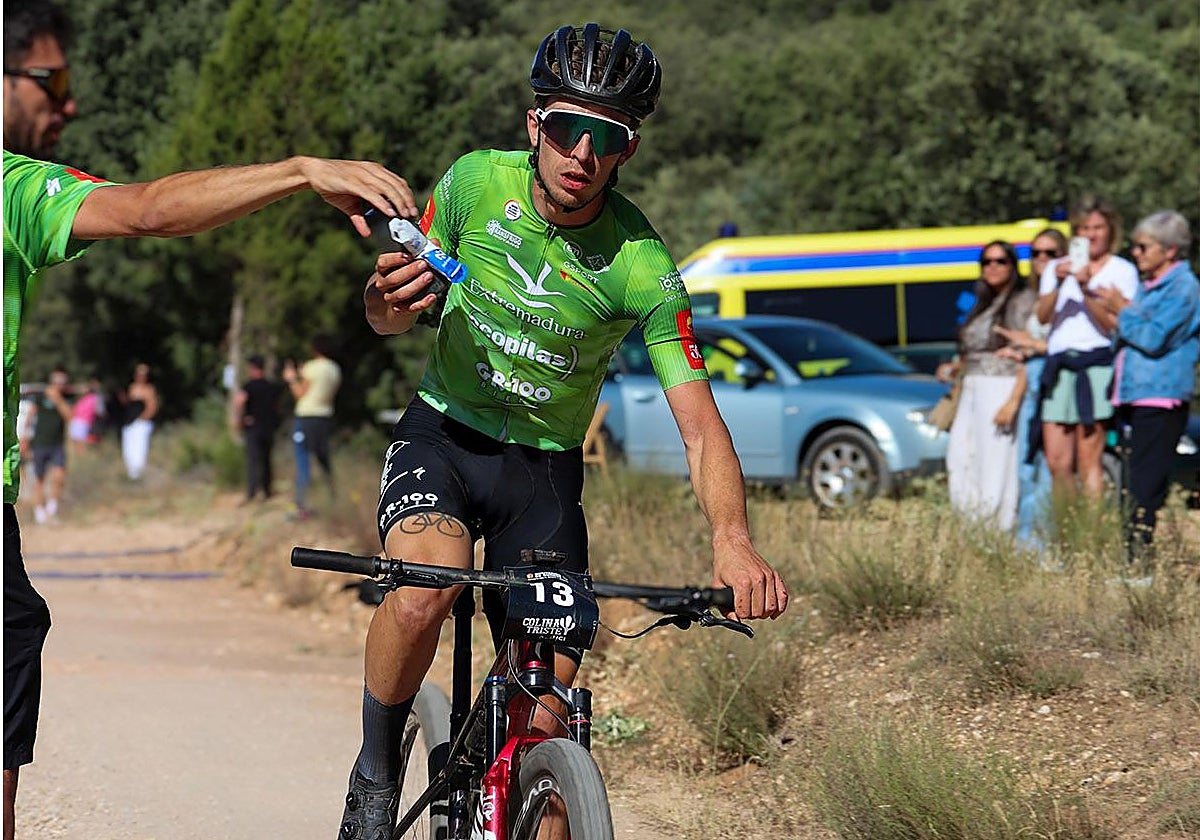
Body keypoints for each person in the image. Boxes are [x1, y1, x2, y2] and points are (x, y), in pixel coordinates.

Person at [342, 23, 788, 839]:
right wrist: (383, 301)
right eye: (564, 126)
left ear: (628, 150)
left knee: (545, 721)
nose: (579, 151)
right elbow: (385, 316)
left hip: (543, 476)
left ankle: (528, 792)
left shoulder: (643, 265)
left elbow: (699, 426)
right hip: (443, 437)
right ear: (532, 125)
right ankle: (375, 769)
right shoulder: (476, 185)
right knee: (426, 591)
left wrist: (733, 538)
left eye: (604, 135)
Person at [3, 4, 418, 835]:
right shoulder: (12, 186)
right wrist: (299, 171)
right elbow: (150, 208)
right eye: (57, 81)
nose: (70, 104)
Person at [1094, 210, 1200, 558]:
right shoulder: (1149, 285)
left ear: (1170, 250)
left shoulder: (1184, 287)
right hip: (1134, 397)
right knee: (1129, 486)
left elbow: (1154, 338)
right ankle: (1131, 559)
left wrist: (1122, 308)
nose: (1135, 253)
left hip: (1160, 398)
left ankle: (1140, 564)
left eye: (1143, 247)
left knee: (1145, 487)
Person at [1034, 195, 1139, 501]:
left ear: (1110, 230)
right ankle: (1068, 538)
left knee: (1088, 461)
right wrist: (1055, 281)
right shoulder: (1056, 267)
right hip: (1058, 366)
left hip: (1094, 367)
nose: (1091, 234)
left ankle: (1091, 538)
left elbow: (1112, 325)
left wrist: (1085, 288)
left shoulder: (1122, 270)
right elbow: (1043, 317)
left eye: (1098, 227)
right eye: (1084, 228)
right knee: (1057, 462)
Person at [937, 241, 1035, 531]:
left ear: (1013, 266)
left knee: (995, 462)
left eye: (1000, 261)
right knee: (960, 456)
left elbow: (1028, 353)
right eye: (986, 261)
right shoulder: (981, 302)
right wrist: (957, 366)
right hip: (972, 387)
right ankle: (972, 528)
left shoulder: (1023, 301)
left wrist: (1013, 400)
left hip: (1001, 385)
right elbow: (973, 350)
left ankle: (997, 531)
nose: (992, 267)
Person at [994, 228, 1067, 550]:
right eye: (1036, 253)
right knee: (1026, 469)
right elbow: (1034, 351)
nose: (1042, 260)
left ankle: (1047, 546)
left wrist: (1034, 344)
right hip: (1033, 384)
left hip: (1057, 384)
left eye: (1050, 253)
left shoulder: (1071, 294)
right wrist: (1022, 354)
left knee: (1050, 470)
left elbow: (1077, 345)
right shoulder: (1040, 298)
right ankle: (1026, 546)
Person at [282, 336, 341, 519]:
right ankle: (333, 499)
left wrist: (292, 379)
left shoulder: (312, 367)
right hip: (324, 417)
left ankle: (300, 506)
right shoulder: (334, 369)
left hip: (307, 417)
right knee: (323, 459)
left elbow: (300, 393)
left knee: (303, 460)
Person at [232, 354, 284, 503]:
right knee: (267, 459)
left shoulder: (248, 386)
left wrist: (239, 420)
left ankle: (251, 492)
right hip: (268, 427)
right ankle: (267, 490)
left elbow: (239, 402)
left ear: (252, 368)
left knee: (253, 460)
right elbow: (278, 407)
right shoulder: (272, 386)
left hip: (253, 426)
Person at [26, 368, 72, 524]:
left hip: (57, 444)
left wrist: (58, 399)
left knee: (59, 476)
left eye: (62, 383)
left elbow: (69, 416)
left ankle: (52, 508)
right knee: (39, 478)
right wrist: (25, 438)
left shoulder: (66, 398)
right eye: (56, 382)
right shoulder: (40, 397)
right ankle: (39, 511)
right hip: (40, 443)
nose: (59, 385)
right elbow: (31, 416)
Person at [120, 363, 158, 481]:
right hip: (129, 422)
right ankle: (131, 474)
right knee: (128, 448)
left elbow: (152, 407)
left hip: (141, 423)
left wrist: (142, 418)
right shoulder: (132, 388)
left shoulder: (149, 390)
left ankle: (138, 474)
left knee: (139, 448)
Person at [67, 377, 103, 455]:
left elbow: (99, 412)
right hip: (77, 421)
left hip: (83, 422)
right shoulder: (85, 397)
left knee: (81, 442)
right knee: (76, 441)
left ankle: (82, 455)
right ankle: (79, 455)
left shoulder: (95, 398)